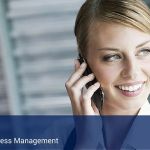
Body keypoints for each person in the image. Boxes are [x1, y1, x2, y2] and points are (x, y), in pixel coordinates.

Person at [65, 0, 150, 149]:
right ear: (84, 64)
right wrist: (86, 143)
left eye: (144, 51)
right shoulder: (58, 136)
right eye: (112, 57)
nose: (132, 72)